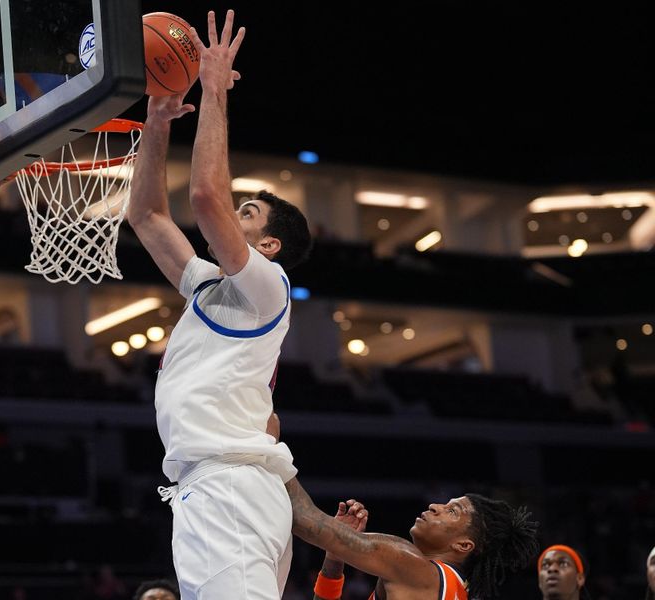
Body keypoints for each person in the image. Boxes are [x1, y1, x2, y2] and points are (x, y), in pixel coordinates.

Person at [127, 8, 312, 600]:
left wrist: (212, 89)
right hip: (217, 487)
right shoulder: (211, 285)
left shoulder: (268, 287)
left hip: (229, 487)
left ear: (270, 244)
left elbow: (206, 196)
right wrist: (157, 121)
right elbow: (148, 217)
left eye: (249, 214)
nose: (235, 215)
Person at [286, 478, 539, 600]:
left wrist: (271, 449)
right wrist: (335, 557)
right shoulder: (452, 590)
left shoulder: (413, 567)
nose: (435, 506)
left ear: (463, 545)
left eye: (452, 511)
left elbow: (305, 521)